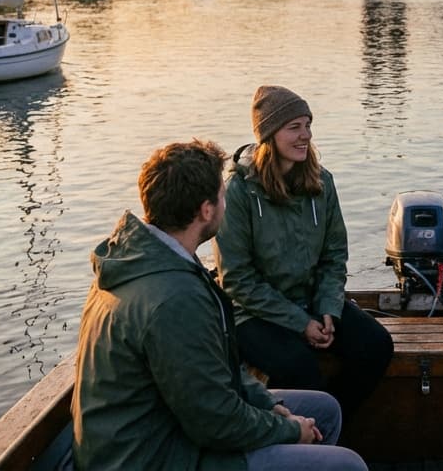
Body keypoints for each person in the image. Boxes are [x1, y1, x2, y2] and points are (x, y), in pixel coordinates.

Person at [72, 139, 366, 471]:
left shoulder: (149, 260)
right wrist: (288, 428)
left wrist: (269, 404)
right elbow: (215, 421)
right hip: (154, 457)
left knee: (325, 409)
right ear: (206, 210)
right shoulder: (173, 300)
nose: (227, 202)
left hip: (169, 428)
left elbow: (215, 377)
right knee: (347, 466)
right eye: (222, 195)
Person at [215, 86, 393, 423]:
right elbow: (237, 279)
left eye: (308, 125)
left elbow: (334, 255)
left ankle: (330, 431)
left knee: (377, 345)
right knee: (301, 370)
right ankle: (300, 439)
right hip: (253, 314)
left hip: (312, 300)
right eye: (294, 127)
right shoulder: (238, 192)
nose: (305, 136)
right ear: (269, 134)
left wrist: (327, 310)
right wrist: (301, 324)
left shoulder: (321, 183)